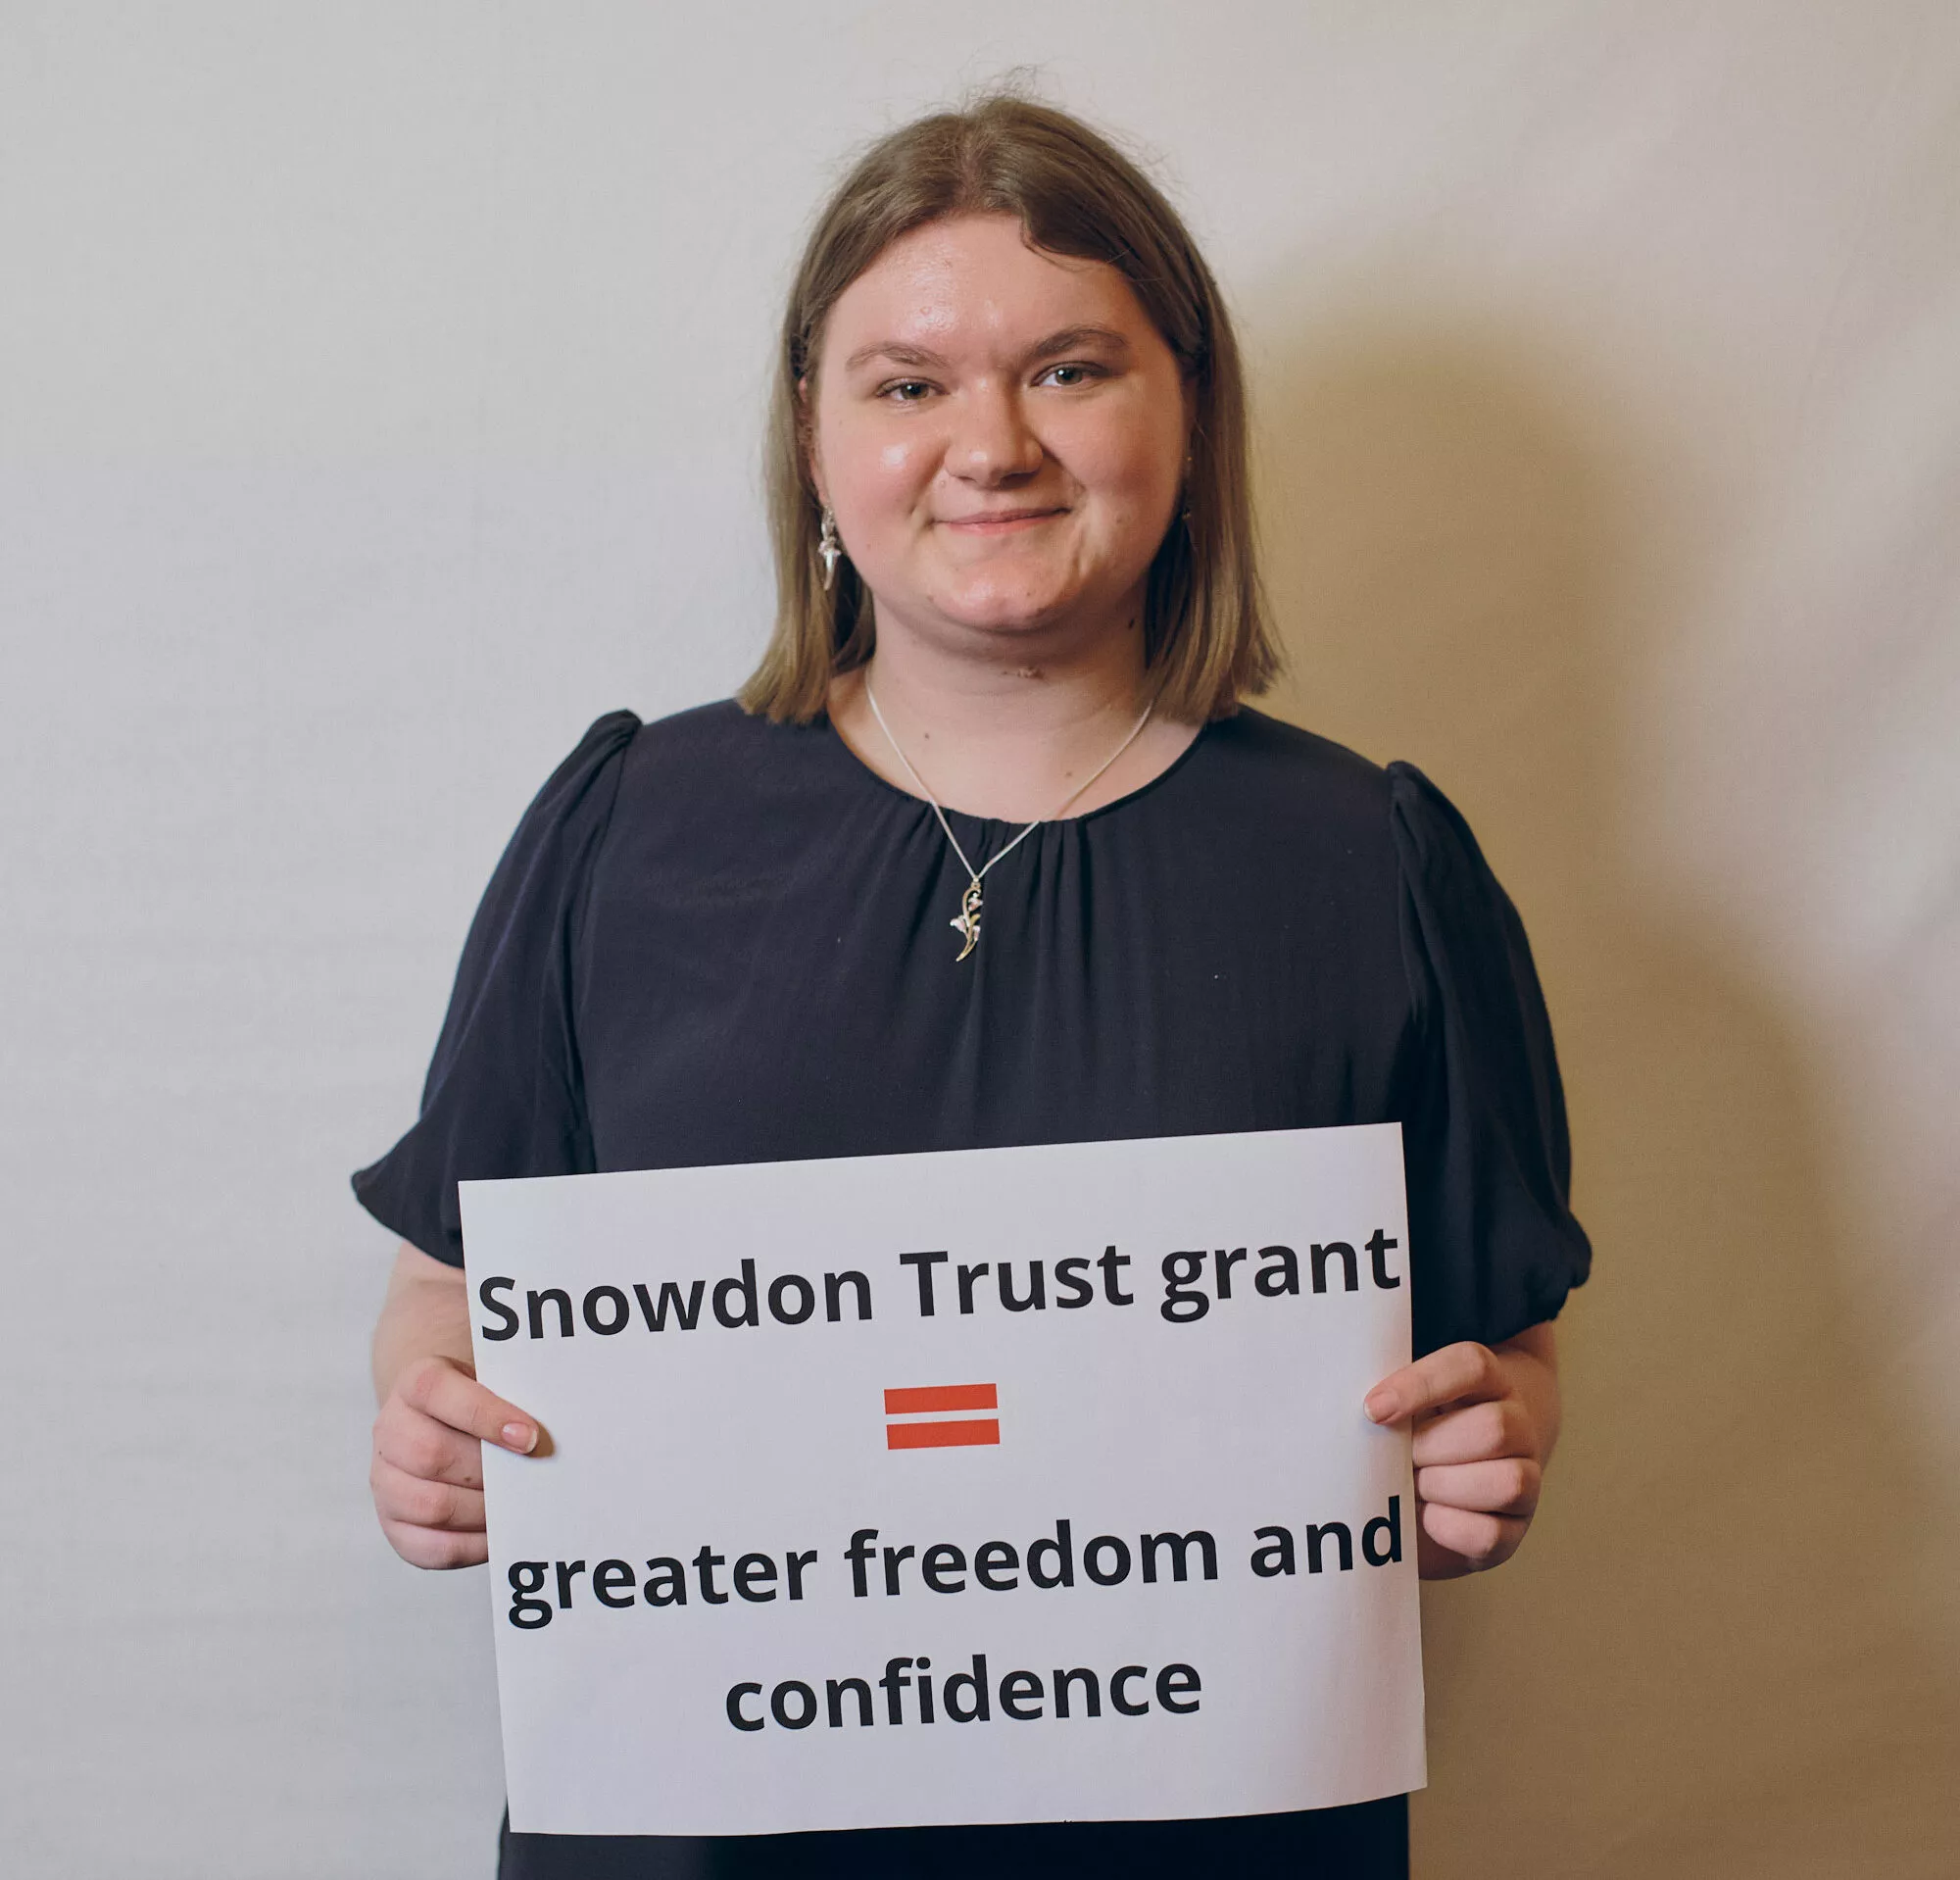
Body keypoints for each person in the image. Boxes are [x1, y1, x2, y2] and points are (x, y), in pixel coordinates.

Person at [355, 92, 1589, 1880]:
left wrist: (1489, 1454)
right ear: (815, 432)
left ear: (1189, 412)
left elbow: (1507, 1346)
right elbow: (443, 1295)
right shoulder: (627, 828)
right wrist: (427, 1425)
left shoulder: (1373, 860)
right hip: (700, 1828)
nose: (990, 443)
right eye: (909, 382)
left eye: (1073, 369)